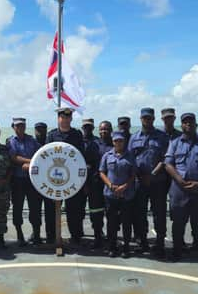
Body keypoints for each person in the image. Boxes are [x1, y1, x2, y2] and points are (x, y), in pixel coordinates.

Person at [165, 113, 198, 265]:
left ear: (196, 125)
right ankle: (177, 251)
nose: (188, 124)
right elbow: (168, 164)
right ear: (181, 125)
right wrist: (179, 180)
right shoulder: (174, 143)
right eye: (185, 122)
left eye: (191, 122)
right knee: (178, 223)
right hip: (179, 190)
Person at [128, 107, 169, 257]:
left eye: (149, 118)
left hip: (157, 181)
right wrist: (139, 174)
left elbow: (166, 158)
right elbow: (130, 158)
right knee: (140, 213)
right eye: (144, 118)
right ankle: (142, 242)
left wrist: (152, 174)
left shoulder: (162, 136)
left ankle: (160, 244)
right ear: (140, 119)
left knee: (159, 213)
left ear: (153, 119)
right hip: (139, 181)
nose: (147, 120)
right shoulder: (134, 137)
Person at [45, 107, 86, 245]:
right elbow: (46, 156)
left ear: (71, 119)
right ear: (59, 118)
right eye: (63, 117)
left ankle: (76, 236)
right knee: (51, 210)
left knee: (74, 209)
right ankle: (51, 236)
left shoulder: (77, 134)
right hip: (55, 177)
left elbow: (80, 155)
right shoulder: (51, 135)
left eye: (68, 117)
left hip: (72, 178)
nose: (65, 120)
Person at [149, 107, 182, 257]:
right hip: (160, 179)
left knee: (178, 211)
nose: (168, 120)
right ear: (162, 119)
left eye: (171, 118)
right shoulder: (158, 136)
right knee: (159, 211)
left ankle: (179, 242)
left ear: (174, 119)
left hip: (176, 178)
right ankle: (159, 241)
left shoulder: (181, 136)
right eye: (166, 118)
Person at [99, 131, 136, 258]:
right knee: (112, 223)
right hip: (110, 194)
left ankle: (126, 247)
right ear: (113, 142)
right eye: (116, 141)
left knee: (126, 222)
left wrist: (124, 186)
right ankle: (112, 247)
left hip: (127, 195)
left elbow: (133, 174)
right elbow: (102, 172)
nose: (118, 143)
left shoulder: (130, 156)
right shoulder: (107, 156)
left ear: (124, 142)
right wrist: (110, 185)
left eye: (120, 141)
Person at [7, 117, 42, 245]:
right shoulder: (10, 141)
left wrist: (31, 164)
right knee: (17, 208)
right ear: (13, 127)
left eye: (22, 125)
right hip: (17, 180)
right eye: (17, 126)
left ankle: (36, 234)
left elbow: (41, 155)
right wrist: (32, 162)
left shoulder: (32, 140)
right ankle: (20, 235)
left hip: (32, 180)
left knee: (35, 208)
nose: (20, 128)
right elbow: (14, 157)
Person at [82, 118, 103, 249]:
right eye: (85, 127)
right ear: (82, 128)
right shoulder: (77, 142)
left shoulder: (98, 142)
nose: (87, 129)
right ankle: (77, 235)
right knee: (77, 210)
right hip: (79, 182)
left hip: (94, 181)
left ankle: (98, 233)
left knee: (96, 210)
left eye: (89, 127)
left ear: (93, 127)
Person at [34, 121, 56, 242]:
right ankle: (36, 233)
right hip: (35, 183)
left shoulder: (52, 144)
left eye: (42, 129)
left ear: (46, 130)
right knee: (35, 211)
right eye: (38, 129)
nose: (40, 131)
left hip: (50, 182)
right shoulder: (31, 143)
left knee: (50, 211)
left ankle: (51, 235)